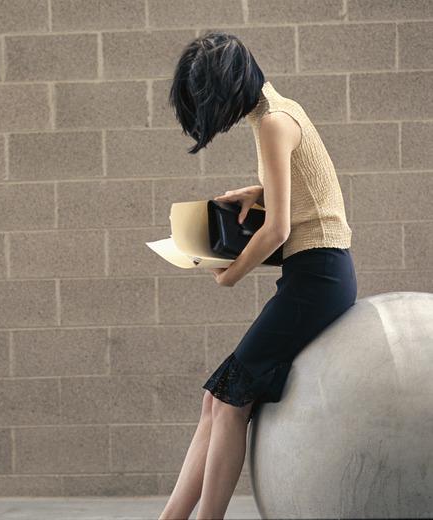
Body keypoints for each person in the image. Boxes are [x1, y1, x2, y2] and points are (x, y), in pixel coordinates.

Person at [157, 32, 357, 520]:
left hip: (319, 276)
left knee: (230, 402)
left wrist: (231, 275)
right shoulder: (280, 110)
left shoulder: (272, 121)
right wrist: (258, 189)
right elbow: (308, 185)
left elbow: (280, 229)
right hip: (315, 274)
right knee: (216, 397)